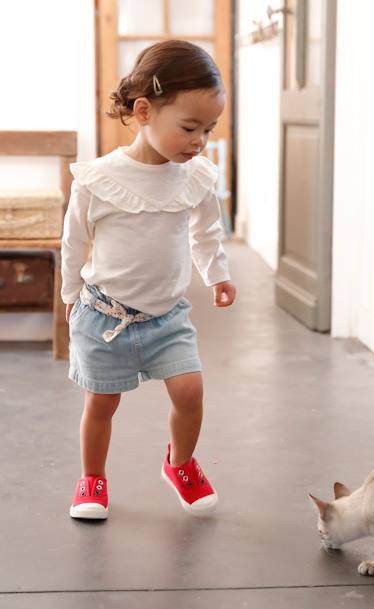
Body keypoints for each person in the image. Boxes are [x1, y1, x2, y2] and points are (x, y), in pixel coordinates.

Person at [61, 40, 236, 520]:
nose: (199, 140)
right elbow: (74, 241)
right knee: (101, 403)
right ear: (143, 111)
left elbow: (206, 233)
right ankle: (91, 478)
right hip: (105, 316)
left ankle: (179, 463)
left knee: (190, 392)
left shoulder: (195, 177)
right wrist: (70, 294)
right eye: (188, 127)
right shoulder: (99, 179)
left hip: (166, 316)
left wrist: (217, 274)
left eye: (209, 129)